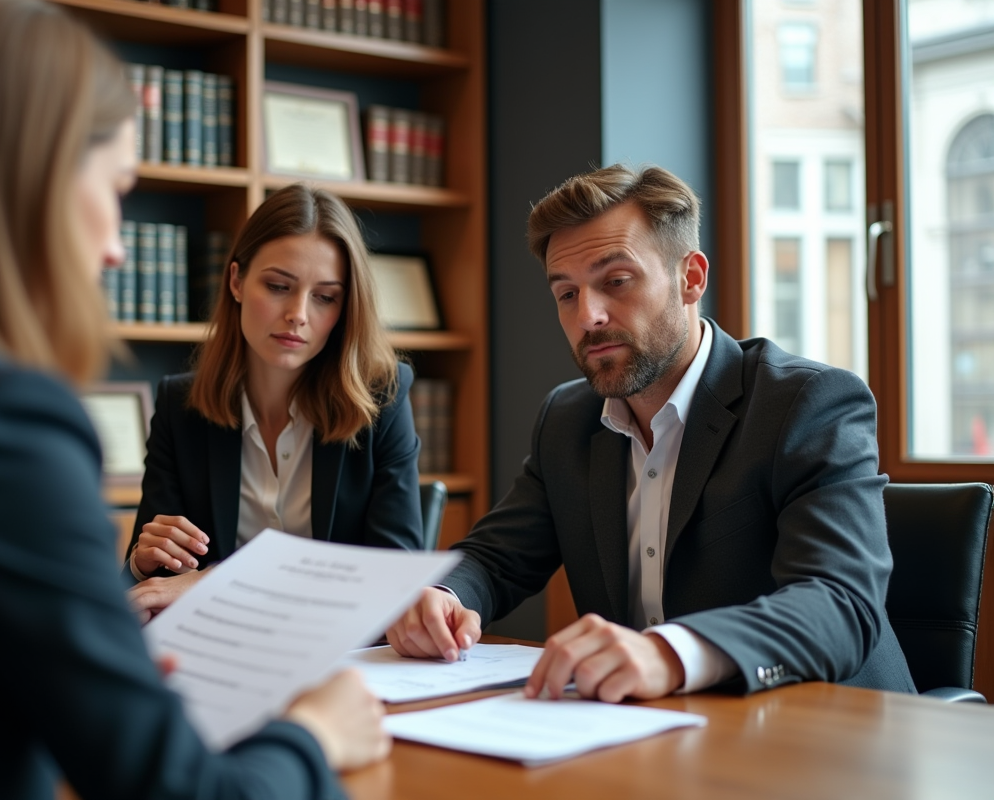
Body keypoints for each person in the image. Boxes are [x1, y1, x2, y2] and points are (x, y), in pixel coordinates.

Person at [0, 2, 388, 798]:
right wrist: (315, 732)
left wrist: (93, 666)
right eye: (115, 188)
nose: (114, 245)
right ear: (30, 178)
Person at [386, 164, 915, 702]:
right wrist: (442, 593)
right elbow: (496, 558)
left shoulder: (807, 404)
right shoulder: (567, 420)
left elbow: (840, 603)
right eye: (566, 294)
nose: (588, 315)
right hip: (659, 733)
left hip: (827, 735)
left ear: (691, 278)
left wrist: (669, 652)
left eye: (615, 281)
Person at [123, 184, 423, 621]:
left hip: (341, 652)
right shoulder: (179, 405)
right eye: (279, 285)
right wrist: (142, 562)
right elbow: (150, 586)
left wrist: (222, 578)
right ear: (237, 281)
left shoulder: (383, 397)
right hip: (220, 647)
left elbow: (394, 573)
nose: (299, 313)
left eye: (325, 297)